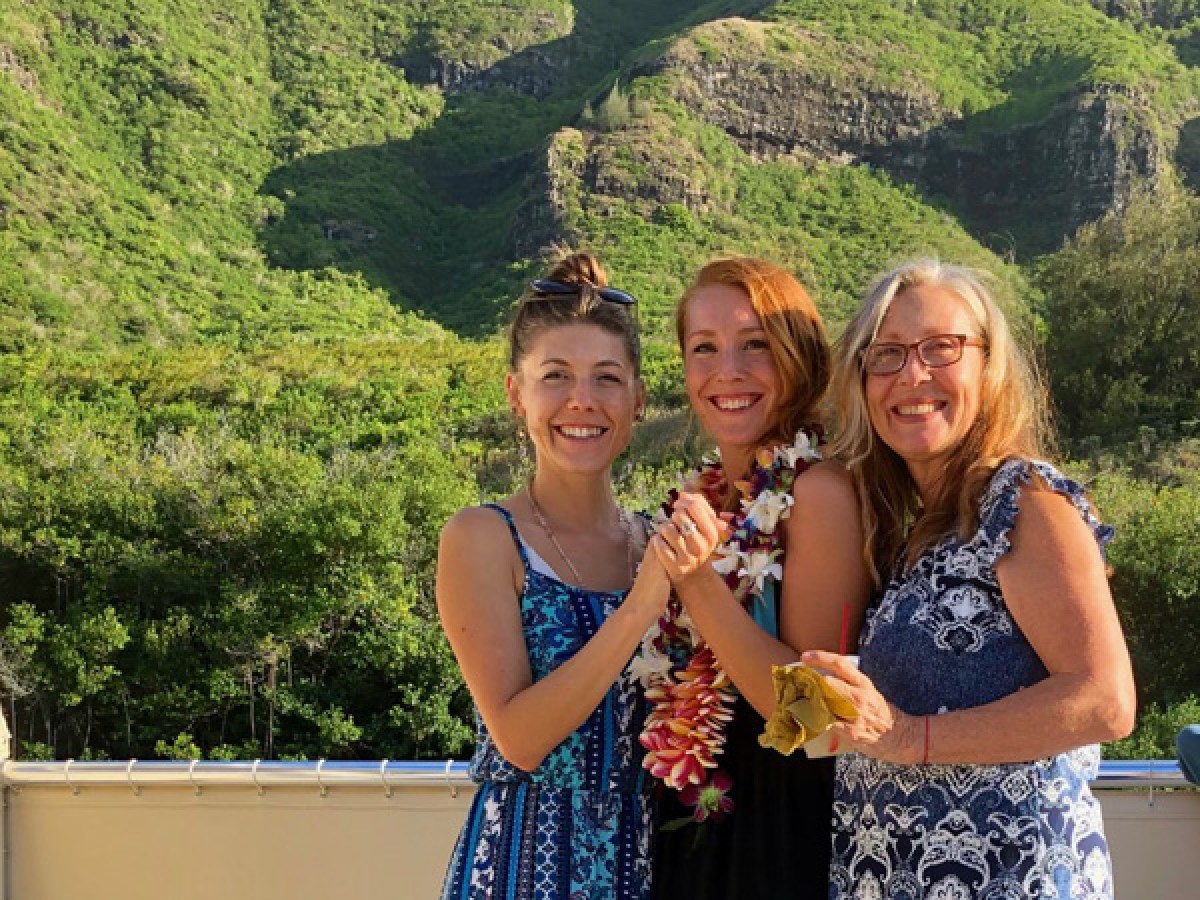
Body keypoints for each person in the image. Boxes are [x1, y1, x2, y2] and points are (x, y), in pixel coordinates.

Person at [803, 259, 1136, 899]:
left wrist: (904, 737)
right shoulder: (923, 530)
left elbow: (1105, 701)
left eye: (941, 349)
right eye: (888, 355)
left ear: (988, 366)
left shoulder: (1024, 499)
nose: (913, 374)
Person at [437, 252, 671, 900]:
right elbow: (520, 738)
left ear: (638, 399)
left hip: (643, 864)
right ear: (517, 394)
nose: (582, 401)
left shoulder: (660, 539)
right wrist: (639, 608)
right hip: (522, 869)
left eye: (606, 378)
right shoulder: (483, 538)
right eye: (556, 376)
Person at [644, 258, 872, 899]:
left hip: (779, 837)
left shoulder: (818, 491)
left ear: (797, 358)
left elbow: (812, 717)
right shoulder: (710, 496)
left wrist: (694, 581)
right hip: (699, 822)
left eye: (755, 346)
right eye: (704, 349)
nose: (728, 372)